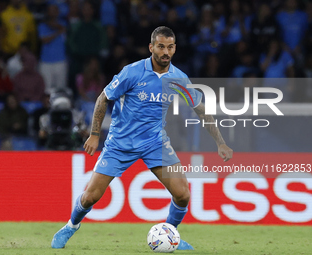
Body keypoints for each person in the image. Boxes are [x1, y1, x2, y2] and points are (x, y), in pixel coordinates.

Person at [51, 26, 233, 250]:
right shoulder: (132, 72)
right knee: (90, 197)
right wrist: (95, 135)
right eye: (161, 47)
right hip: (120, 144)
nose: (165, 52)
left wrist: (220, 142)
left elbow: (201, 110)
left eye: (170, 47)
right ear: (151, 47)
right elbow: (102, 98)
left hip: (155, 143)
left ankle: (170, 234)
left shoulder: (178, 78)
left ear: (174, 48)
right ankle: (70, 226)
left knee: (183, 194)